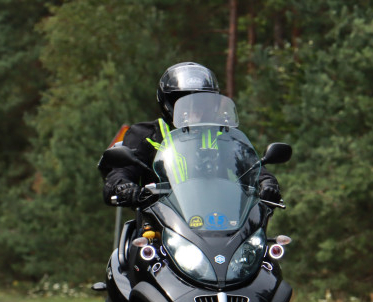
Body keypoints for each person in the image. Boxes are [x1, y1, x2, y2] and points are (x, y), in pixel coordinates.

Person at [100, 62, 282, 207]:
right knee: (134, 251)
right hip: (159, 224)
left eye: (201, 101)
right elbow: (121, 172)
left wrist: (267, 182)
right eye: (184, 101)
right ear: (168, 103)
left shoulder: (224, 136)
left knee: (264, 250)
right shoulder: (146, 135)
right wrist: (123, 186)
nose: (193, 108)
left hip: (222, 221)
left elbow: (252, 167)